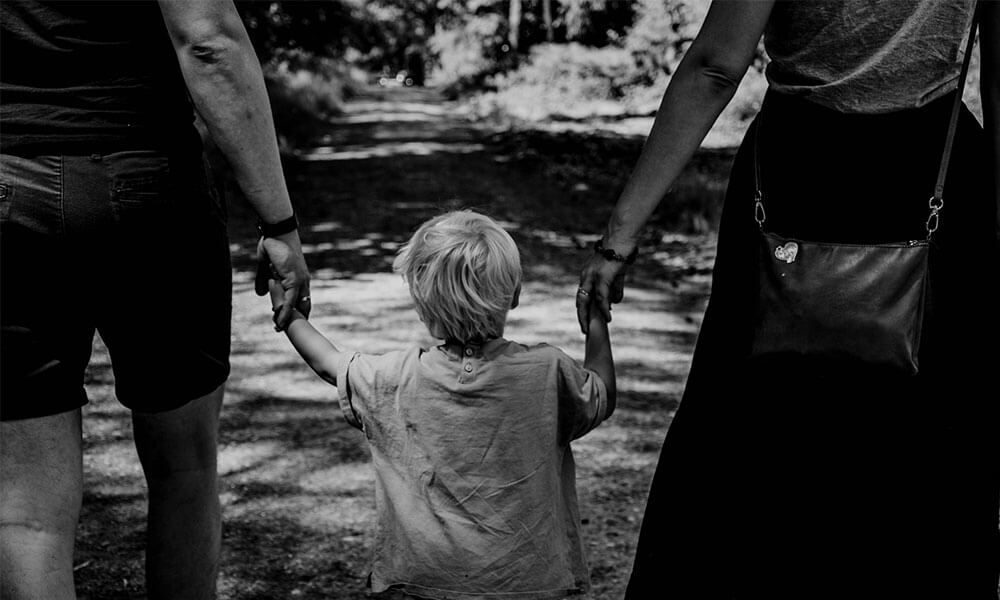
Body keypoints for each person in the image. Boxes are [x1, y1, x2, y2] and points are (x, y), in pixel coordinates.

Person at [576, 1, 999, 597]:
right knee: (927, 436)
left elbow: (717, 67)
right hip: (938, 174)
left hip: (801, 174)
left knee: (757, 428)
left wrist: (619, 238)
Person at [0, 1, 310, 598]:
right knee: (185, 469)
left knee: (24, 511)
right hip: (150, 189)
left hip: (9, 188)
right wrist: (279, 223)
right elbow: (208, 40)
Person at [269, 210, 616, 599]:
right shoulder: (547, 371)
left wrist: (291, 314)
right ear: (515, 294)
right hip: (528, 582)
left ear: (420, 304)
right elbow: (601, 393)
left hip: (424, 583)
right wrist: (597, 318)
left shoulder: (398, 376)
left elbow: (330, 364)